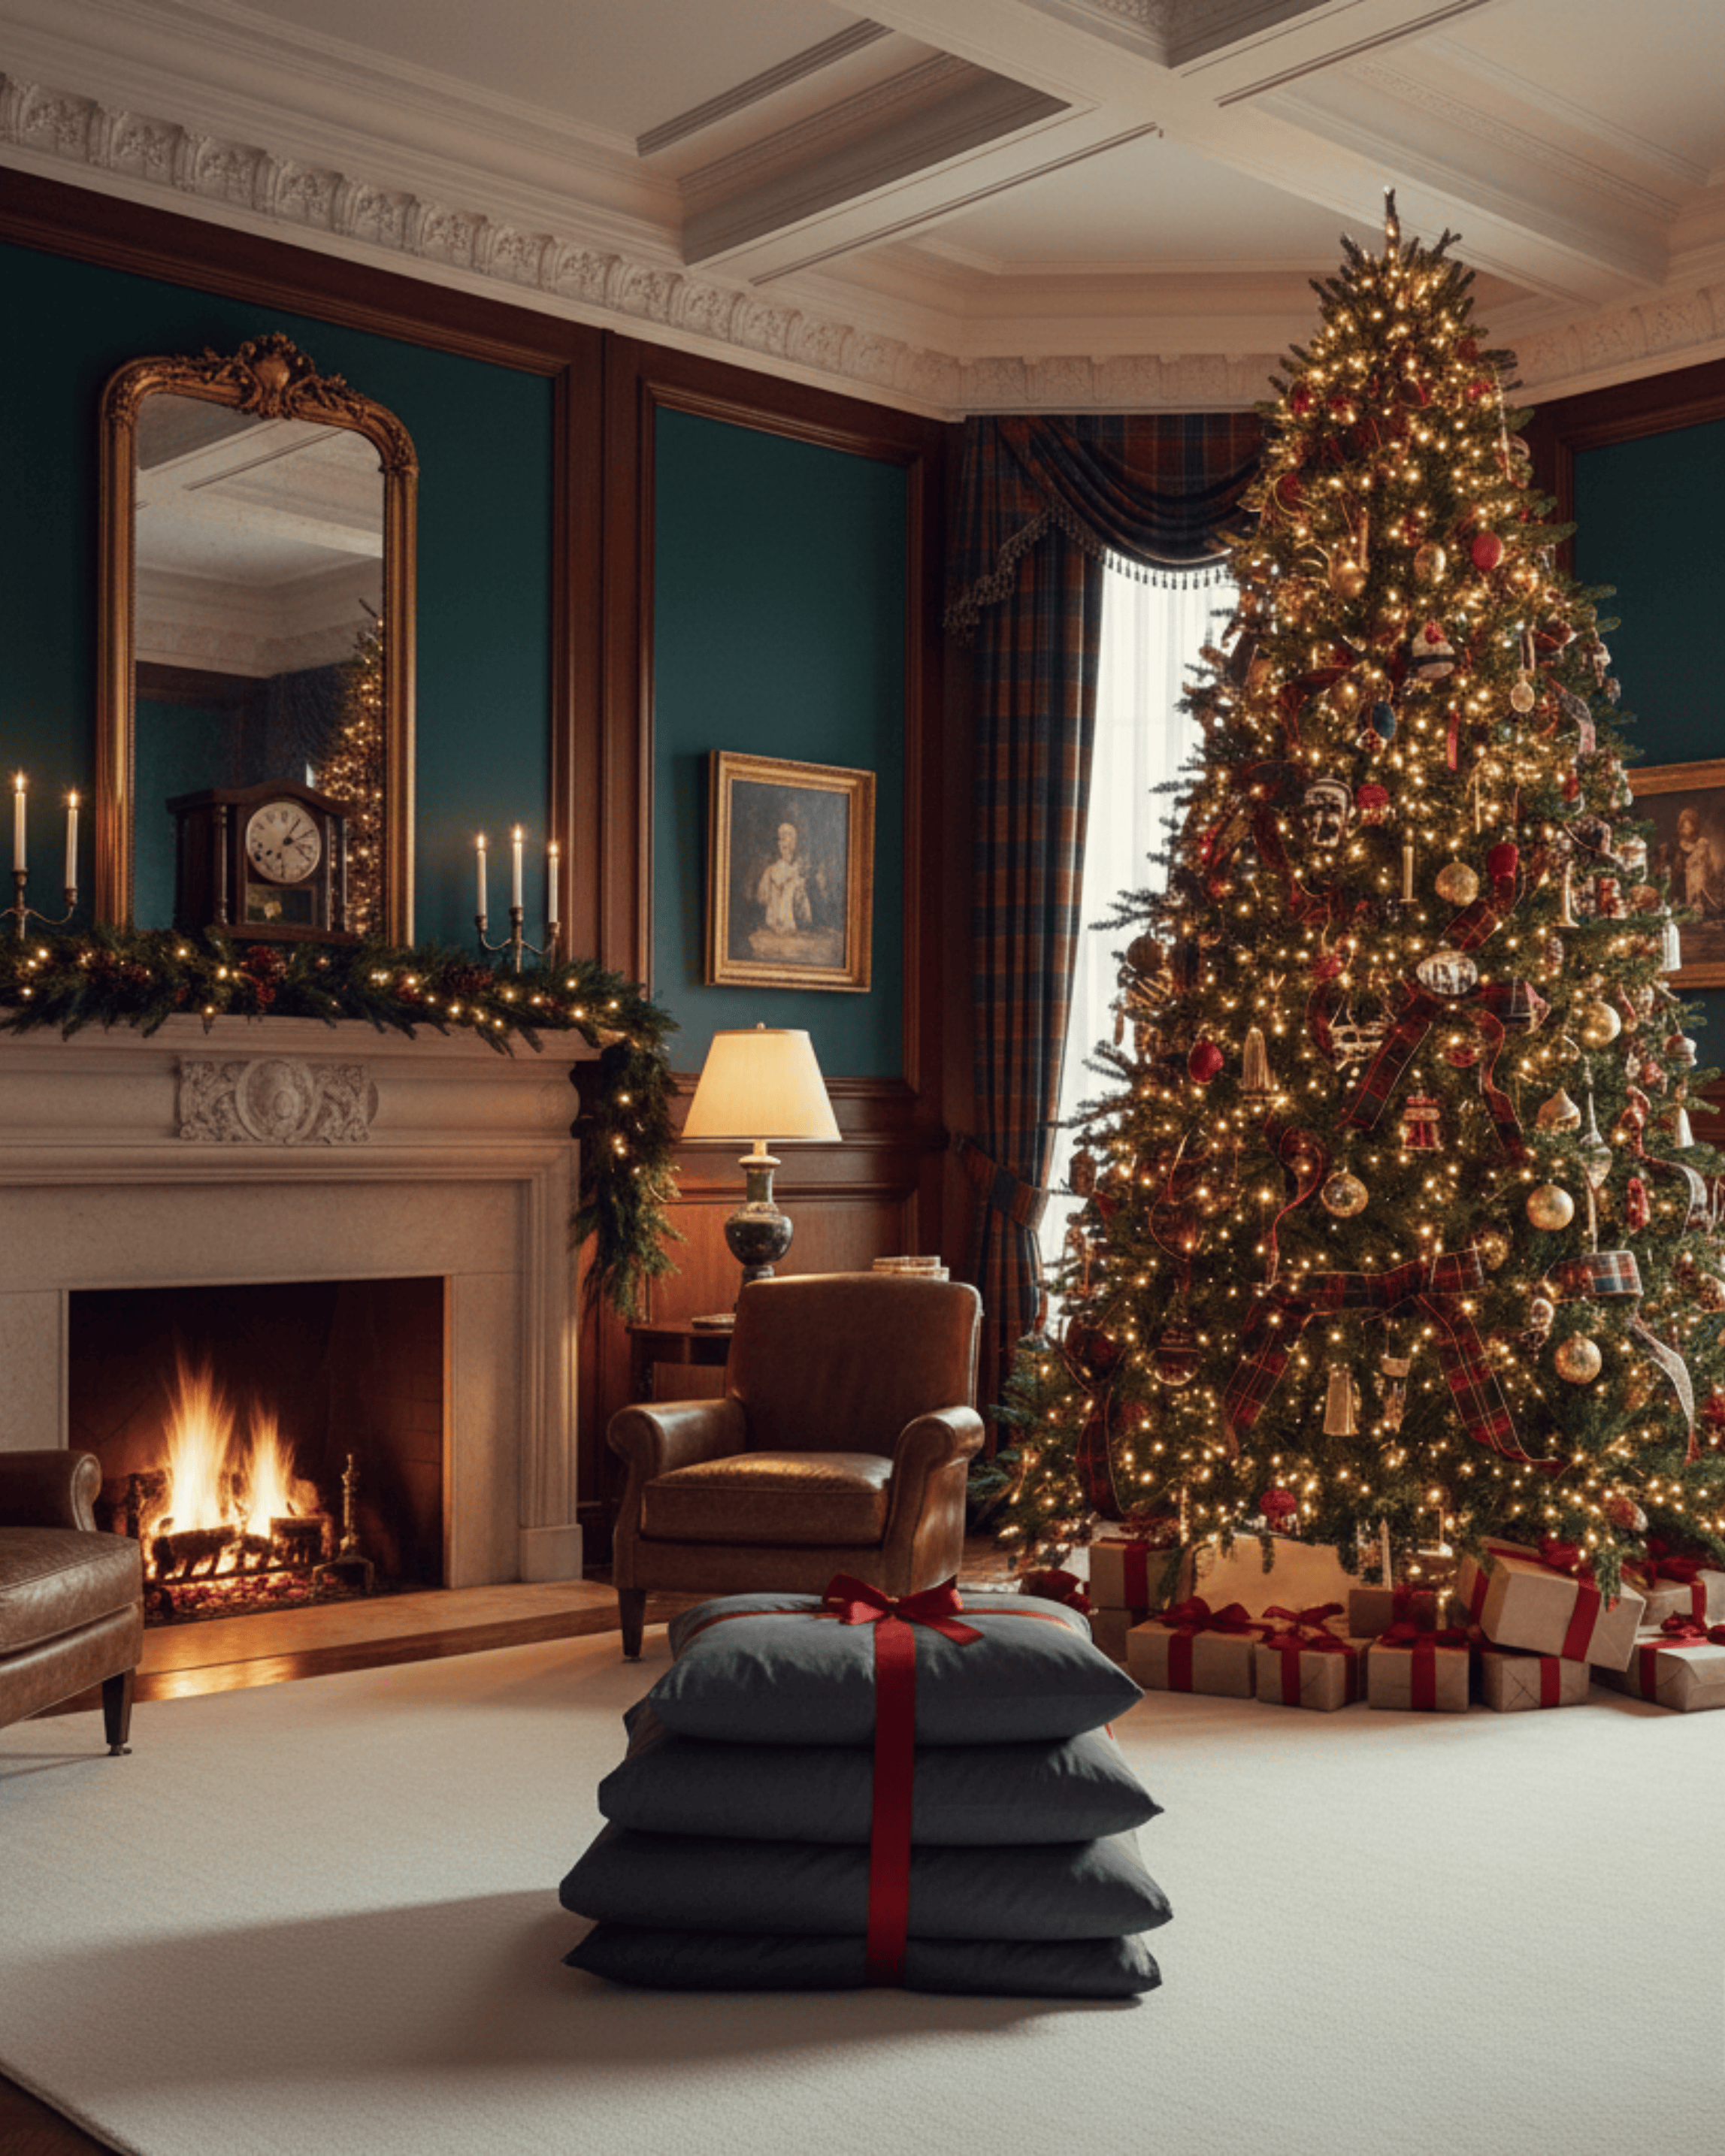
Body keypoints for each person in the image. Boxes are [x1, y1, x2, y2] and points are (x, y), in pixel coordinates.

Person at [755, 821, 812, 934]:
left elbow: (803, 902)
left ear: (794, 842)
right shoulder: (773, 869)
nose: (782, 843)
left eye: (786, 838)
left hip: (796, 916)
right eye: (781, 839)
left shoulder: (799, 868)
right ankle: (781, 922)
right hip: (775, 920)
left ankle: (787, 923)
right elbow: (762, 897)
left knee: (795, 883)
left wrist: (797, 883)